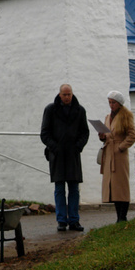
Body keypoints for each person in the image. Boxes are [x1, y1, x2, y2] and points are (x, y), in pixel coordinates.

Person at [40, 83, 90, 232]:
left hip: (73, 155)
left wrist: (78, 147)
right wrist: (54, 147)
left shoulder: (79, 110)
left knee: (74, 189)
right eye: (65, 94)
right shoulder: (51, 110)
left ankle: (74, 220)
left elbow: (85, 132)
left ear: (72, 94)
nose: (67, 97)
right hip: (57, 155)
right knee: (59, 188)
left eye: (69, 94)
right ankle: (61, 220)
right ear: (60, 95)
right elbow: (44, 133)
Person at [98, 90, 135, 222]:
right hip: (109, 153)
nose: (111, 105)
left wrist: (121, 146)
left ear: (119, 103)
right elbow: (107, 135)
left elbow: (132, 135)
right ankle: (118, 216)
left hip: (119, 156)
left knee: (121, 186)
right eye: (109, 102)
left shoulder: (126, 116)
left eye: (113, 102)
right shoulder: (107, 117)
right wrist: (102, 136)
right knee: (113, 186)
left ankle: (123, 216)